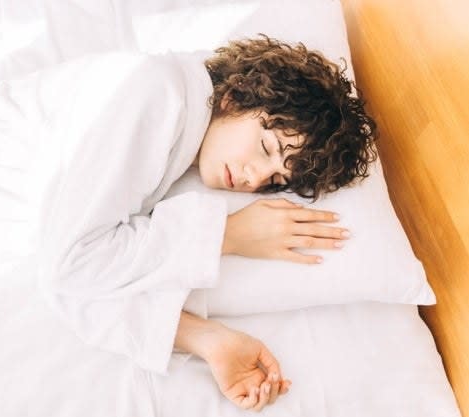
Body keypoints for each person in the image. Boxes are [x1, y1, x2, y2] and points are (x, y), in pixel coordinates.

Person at [36, 34, 377, 414]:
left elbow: (86, 273)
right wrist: (227, 234)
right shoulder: (159, 93)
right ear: (234, 97)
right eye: (267, 148)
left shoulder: (189, 141)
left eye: (276, 181)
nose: (255, 179)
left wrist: (208, 340)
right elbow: (71, 263)